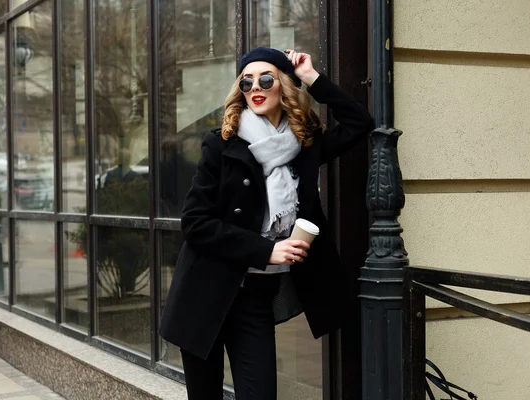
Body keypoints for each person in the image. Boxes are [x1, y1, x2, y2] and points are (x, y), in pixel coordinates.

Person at [159, 47, 373, 400]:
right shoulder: (221, 144)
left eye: (266, 79)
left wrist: (311, 77)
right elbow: (195, 223)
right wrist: (267, 250)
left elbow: (359, 123)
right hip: (204, 292)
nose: (255, 87)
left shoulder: (305, 144)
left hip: (254, 298)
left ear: (283, 86)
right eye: (246, 81)